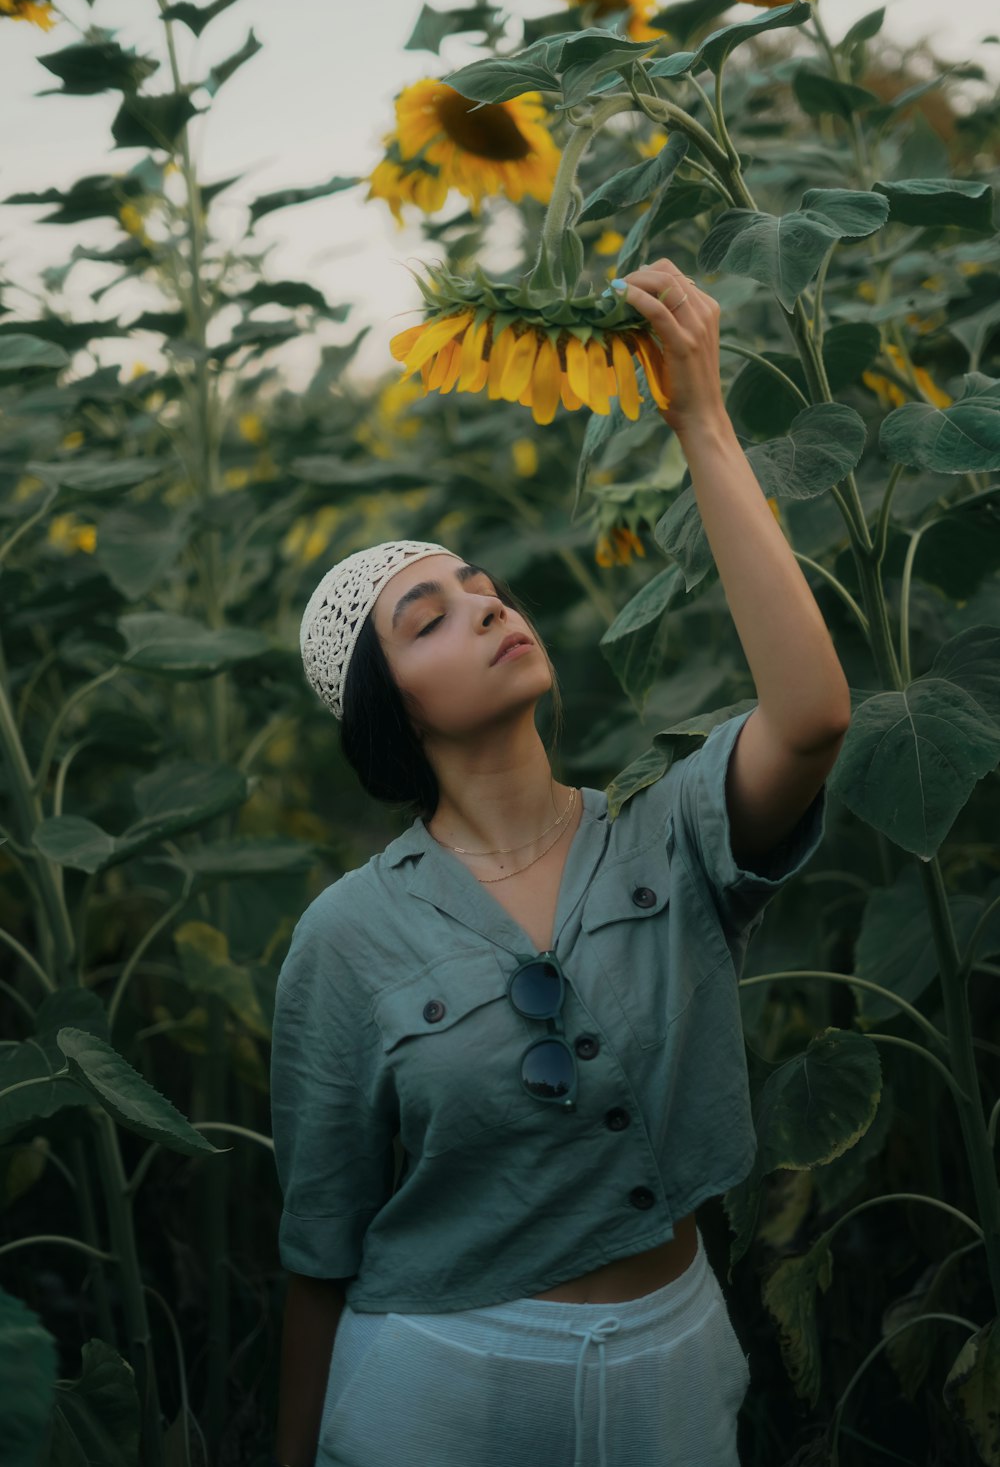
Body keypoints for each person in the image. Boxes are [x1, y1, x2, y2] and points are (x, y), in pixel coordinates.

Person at [269, 257, 852, 1467]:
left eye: (480, 588)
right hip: (438, 1376)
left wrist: (700, 415)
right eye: (427, 618)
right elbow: (319, 1249)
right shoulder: (345, 935)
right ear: (395, 715)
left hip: (676, 1360)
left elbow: (809, 717)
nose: (483, 605)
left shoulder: (665, 824)